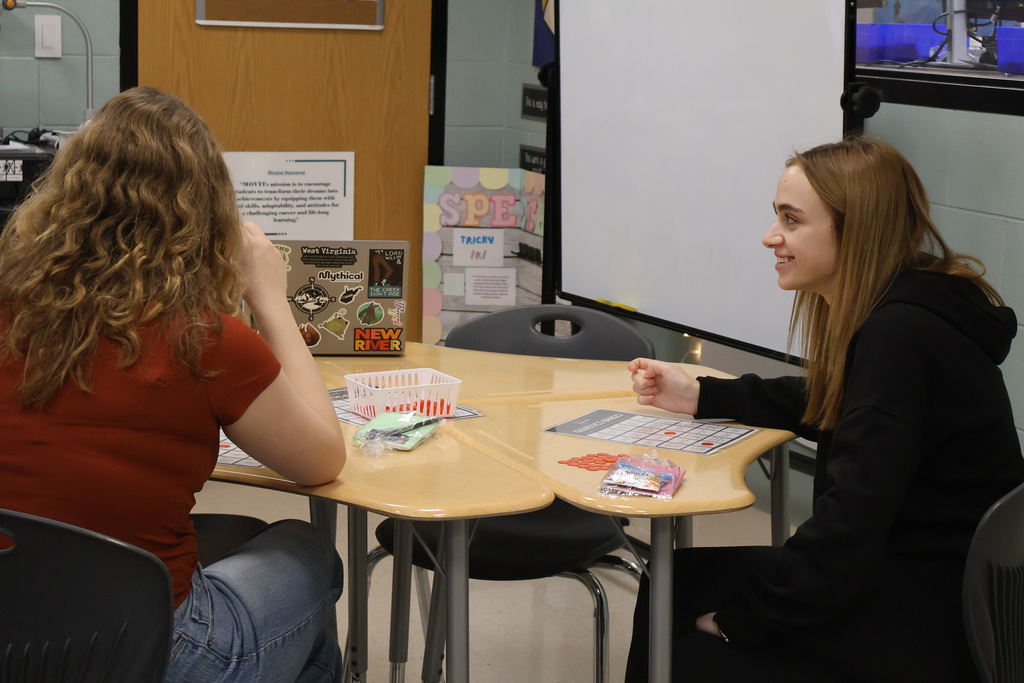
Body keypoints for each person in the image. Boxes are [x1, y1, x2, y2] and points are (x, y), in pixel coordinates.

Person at [623, 136, 1024, 682]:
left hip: (924, 619)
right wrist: (702, 395)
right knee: (672, 582)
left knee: (690, 653)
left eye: (791, 220)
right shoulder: (918, 301)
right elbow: (838, 397)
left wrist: (742, 621)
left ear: (854, 228)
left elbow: (843, 538)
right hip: (940, 588)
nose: (771, 237)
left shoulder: (898, 335)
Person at [0, 87, 347, 682]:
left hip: (12, 638)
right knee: (306, 551)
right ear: (205, 212)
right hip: (153, 655)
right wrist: (268, 295)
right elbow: (322, 459)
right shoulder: (203, 338)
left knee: (232, 538)